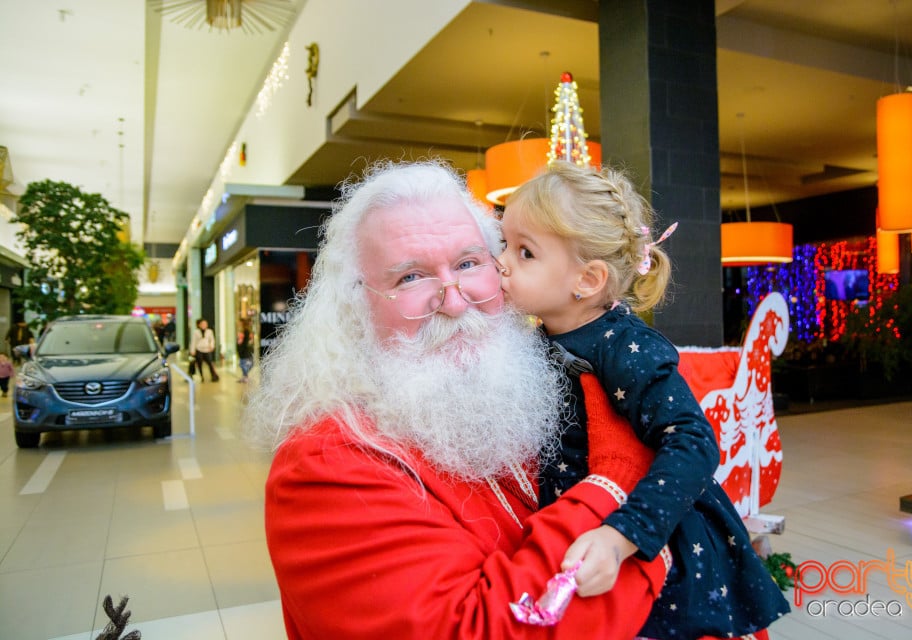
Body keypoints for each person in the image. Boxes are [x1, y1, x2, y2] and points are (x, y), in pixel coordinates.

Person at [244, 160, 673, 640]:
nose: (453, 300)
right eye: (410, 277)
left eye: (469, 264)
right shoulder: (323, 466)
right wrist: (625, 495)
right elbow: (473, 630)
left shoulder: (537, 387)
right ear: (354, 306)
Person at [498, 161, 791, 640]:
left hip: (652, 545)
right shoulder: (538, 337)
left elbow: (694, 441)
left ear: (587, 280)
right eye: (503, 244)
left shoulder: (621, 347)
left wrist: (622, 538)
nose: (502, 262)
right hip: (575, 528)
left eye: (525, 252)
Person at [190, 318, 219, 382]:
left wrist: (212, 346)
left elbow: (212, 340)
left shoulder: (209, 331)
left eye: (205, 324)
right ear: (199, 325)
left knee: (210, 363)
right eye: (202, 324)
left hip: (207, 350)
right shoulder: (196, 332)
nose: (204, 325)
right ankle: (201, 376)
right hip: (199, 349)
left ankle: (214, 375)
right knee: (199, 363)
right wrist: (192, 350)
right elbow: (193, 341)